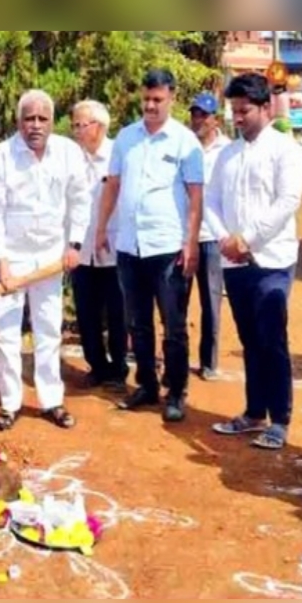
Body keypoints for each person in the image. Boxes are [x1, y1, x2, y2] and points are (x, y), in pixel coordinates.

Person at [206, 73, 302, 450]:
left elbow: (287, 202)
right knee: (250, 339)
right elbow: (212, 201)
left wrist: (247, 239)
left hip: (272, 260)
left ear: (265, 107)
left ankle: (279, 419)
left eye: (244, 110)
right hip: (234, 261)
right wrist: (224, 239)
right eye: (233, 110)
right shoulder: (226, 155)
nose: (238, 118)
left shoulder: (287, 151)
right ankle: (254, 413)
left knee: (272, 338)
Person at [96, 69, 205, 423]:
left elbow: (195, 196)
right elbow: (112, 185)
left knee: (173, 325)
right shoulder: (126, 139)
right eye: (146, 99)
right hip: (130, 246)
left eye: (157, 99)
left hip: (167, 247)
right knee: (137, 322)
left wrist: (191, 242)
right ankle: (146, 385)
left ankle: (176, 391)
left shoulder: (185, 142)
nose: (150, 105)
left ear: (171, 97)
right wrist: (101, 228)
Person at [0, 89, 92, 431]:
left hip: (50, 257)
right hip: (9, 259)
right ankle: (10, 404)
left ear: (52, 121)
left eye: (42, 118)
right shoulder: (0, 156)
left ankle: (51, 401)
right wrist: (1, 262)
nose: (35, 125)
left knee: (48, 329)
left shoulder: (69, 153)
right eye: (29, 118)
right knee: (7, 331)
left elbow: (80, 200)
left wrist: (74, 244)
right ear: (18, 122)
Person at [70, 99, 128, 391]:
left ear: (101, 126)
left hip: (115, 248)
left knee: (118, 312)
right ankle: (97, 365)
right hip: (81, 250)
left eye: (83, 125)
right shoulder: (71, 158)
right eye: (75, 125)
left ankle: (118, 369)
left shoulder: (120, 154)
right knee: (86, 311)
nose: (78, 131)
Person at [189, 91, 232, 382]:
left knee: (211, 301)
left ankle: (209, 361)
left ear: (215, 118)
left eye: (203, 115)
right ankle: (174, 361)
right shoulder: (183, 146)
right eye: (195, 114)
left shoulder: (228, 150)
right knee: (175, 302)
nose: (198, 120)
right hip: (185, 236)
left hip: (213, 237)